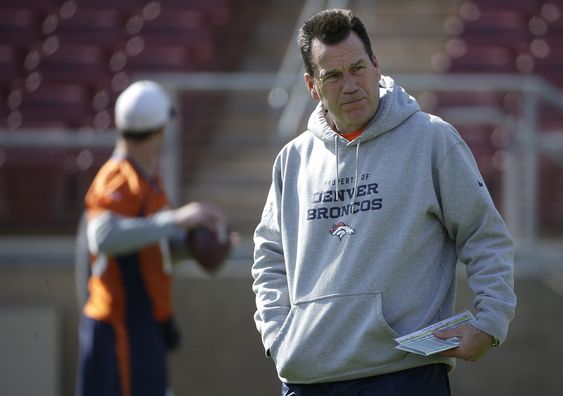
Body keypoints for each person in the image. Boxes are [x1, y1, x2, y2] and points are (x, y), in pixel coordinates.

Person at [251, 8, 516, 396]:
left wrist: (491, 323)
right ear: (312, 86)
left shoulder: (432, 140)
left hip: (404, 374)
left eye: (358, 68)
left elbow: (484, 235)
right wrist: (278, 337)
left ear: (377, 66)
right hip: (308, 379)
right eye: (334, 76)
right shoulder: (293, 160)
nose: (351, 85)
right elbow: (269, 256)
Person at [76, 80, 226, 396]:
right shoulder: (117, 177)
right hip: (119, 326)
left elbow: (146, 248)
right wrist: (175, 219)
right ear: (161, 130)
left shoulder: (149, 179)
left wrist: (197, 246)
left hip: (142, 324)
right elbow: (102, 237)